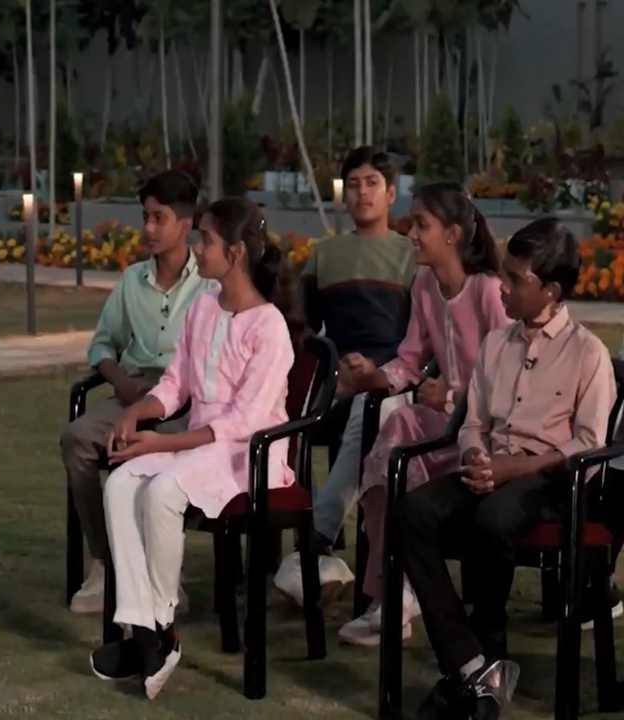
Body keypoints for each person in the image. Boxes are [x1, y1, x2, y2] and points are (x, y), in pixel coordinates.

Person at [394, 217, 615, 719]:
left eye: (515, 280)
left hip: (550, 482)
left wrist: (511, 469)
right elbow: (473, 423)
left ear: (550, 291)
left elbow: (588, 446)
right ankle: (471, 664)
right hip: (489, 468)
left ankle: (486, 653)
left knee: (491, 516)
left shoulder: (588, 353)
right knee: (412, 512)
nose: (503, 288)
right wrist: (475, 455)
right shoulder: (497, 344)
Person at [88, 198, 300, 699]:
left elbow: (244, 422)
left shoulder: (269, 326)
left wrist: (161, 442)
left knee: (163, 488)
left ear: (237, 252)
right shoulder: (204, 306)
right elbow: (175, 383)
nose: (197, 248)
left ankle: (160, 628)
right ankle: (147, 631)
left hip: (251, 457)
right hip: (203, 448)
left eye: (206, 240)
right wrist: (134, 414)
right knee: (121, 482)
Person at [333, 183, 508, 647]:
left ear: (452, 235)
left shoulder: (489, 292)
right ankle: (395, 590)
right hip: (445, 430)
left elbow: (510, 383)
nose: (410, 233)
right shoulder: (425, 285)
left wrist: (450, 396)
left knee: (403, 435)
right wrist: (370, 378)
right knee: (396, 433)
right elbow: (410, 361)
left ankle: (402, 590)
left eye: (421, 225)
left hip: (491, 438)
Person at [60, 170, 218, 615]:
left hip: (186, 402)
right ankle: (104, 562)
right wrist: (122, 383)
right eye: (144, 217)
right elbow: (101, 345)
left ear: (185, 224)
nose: (148, 228)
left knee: (153, 451)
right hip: (132, 396)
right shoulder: (132, 280)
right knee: (76, 439)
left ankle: (165, 573)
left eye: (158, 218)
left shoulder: (209, 284)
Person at [275, 146, 418, 605]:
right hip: (337, 378)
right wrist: (335, 369)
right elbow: (302, 332)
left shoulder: (411, 256)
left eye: (372, 183)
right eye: (353, 184)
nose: (362, 193)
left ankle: (316, 537)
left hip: (393, 381)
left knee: (370, 409)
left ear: (391, 193)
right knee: (282, 414)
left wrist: (377, 372)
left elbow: (422, 338)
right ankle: (310, 544)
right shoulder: (325, 255)